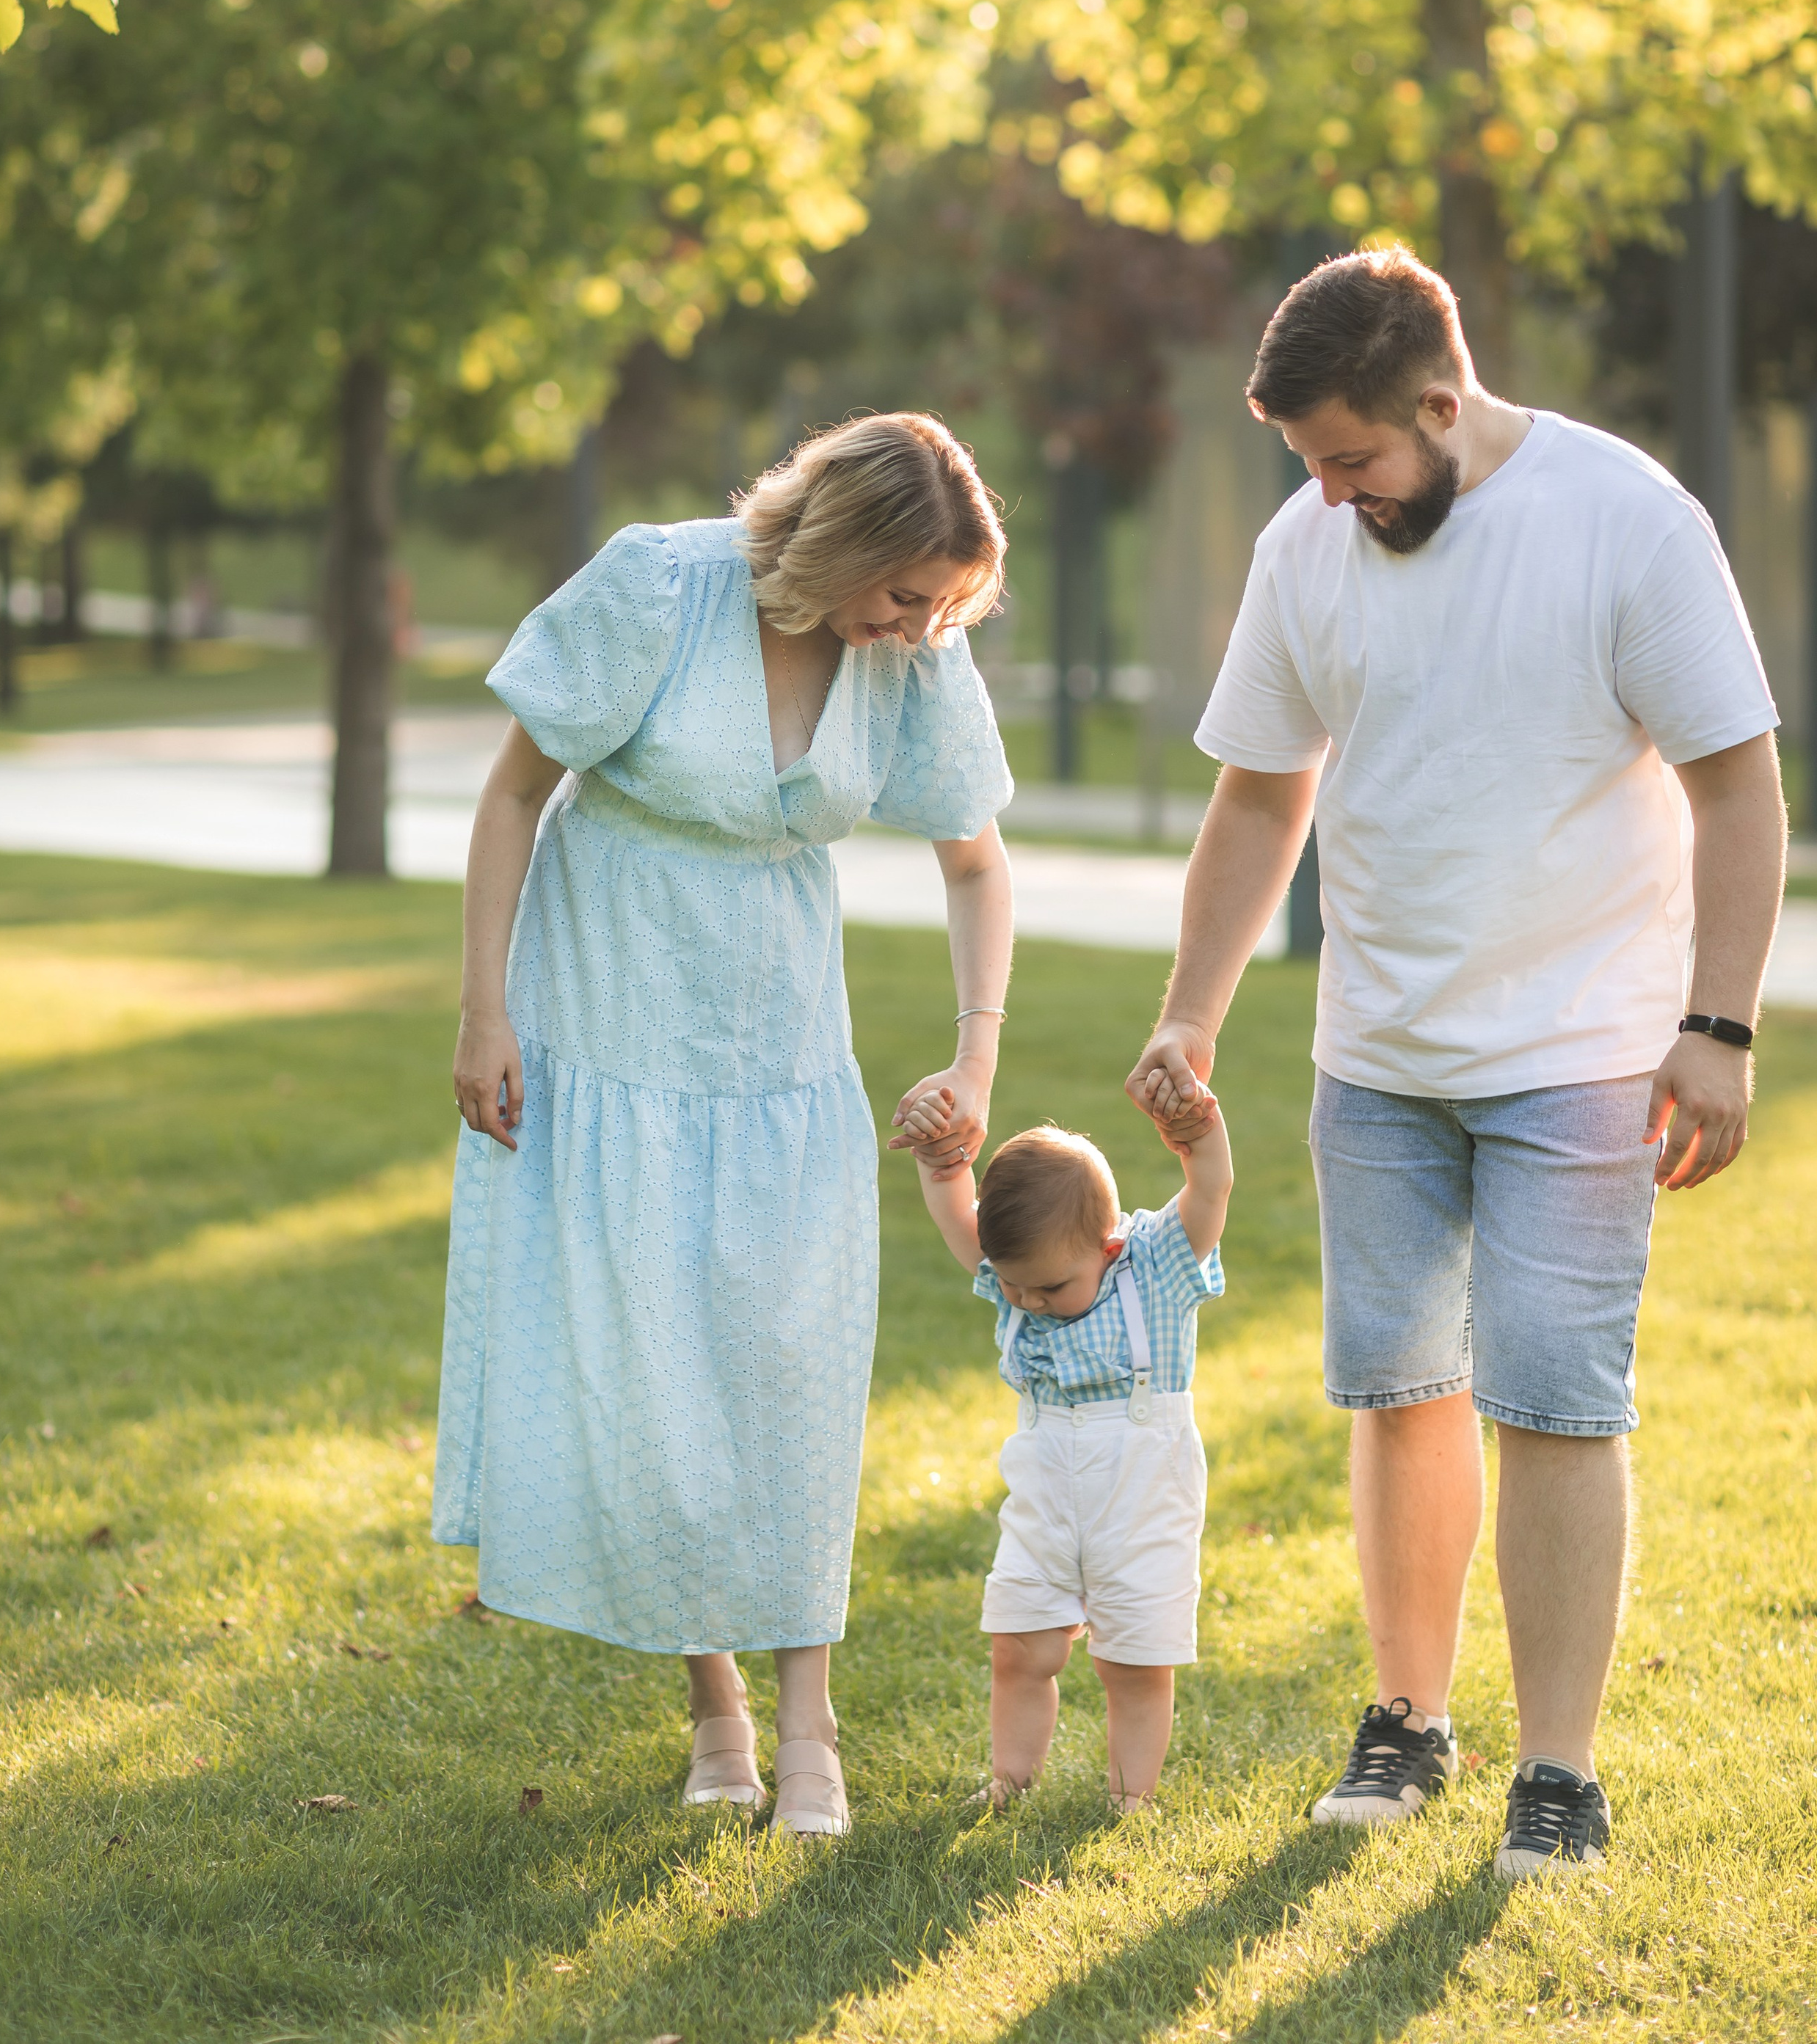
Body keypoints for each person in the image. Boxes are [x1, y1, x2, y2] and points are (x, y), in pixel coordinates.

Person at [1127, 247, 1785, 1879]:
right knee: (1397, 1391)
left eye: (1352, 460)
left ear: (1439, 399)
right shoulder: (1307, 545)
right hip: (1379, 1055)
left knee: (1556, 1401)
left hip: (1580, 1050)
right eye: (1308, 467)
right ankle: (1406, 1720)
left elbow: (1734, 783)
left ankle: (1555, 1773)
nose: (1333, 495)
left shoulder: (1624, 519)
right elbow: (1258, 797)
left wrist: (1715, 1024)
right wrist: (1187, 1010)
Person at [433, 411, 1015, 1838]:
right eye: (903, 591)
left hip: (777, 1040)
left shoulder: (913, 655)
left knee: (786, 1359)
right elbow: (513, 793)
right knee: (650, 1364)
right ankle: (718, 1711)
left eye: (944, 603)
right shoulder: (655, 585)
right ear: (836, 546)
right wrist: (483, 1012)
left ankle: (812, 1727)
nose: (920, 625)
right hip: (608, 1012)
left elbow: (973, 864)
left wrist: (972, 1059)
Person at [897, 1100, 1231, 1812]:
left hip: (1140, 1505)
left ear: (1108, 1248)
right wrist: (940, 1164)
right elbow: (962, 1222)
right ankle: (1008, 1782)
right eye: (1014, 1286)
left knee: (1133, 1662)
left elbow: (1209, 1192)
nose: (1029, 1302)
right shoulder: (1019, 1278)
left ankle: (1130, 1796)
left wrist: (1201, 1138)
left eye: (1049, 1288)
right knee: (1020, 1648)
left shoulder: (1156, 1269)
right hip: (1044, 1501)